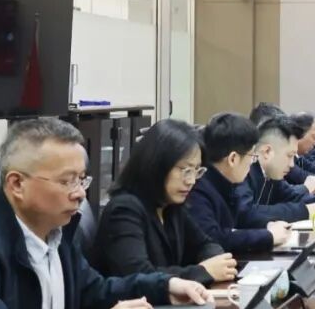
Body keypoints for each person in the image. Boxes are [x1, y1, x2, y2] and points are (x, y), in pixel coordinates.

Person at [0, 118, 211, 309]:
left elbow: (95, 292)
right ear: (16, 184)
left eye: (82, 180)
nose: (80, 194)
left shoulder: (59, 235)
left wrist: (164, 287)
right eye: (67, 181)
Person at [94, 120, 237, 286]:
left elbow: (206, 244)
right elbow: (139, 275)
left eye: (196, 171)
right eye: (185, 170)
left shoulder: (171, 206)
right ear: (156, 164)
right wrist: (203, 271)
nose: (191, 181)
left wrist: (218, 263)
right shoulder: (124, 210)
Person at [187, 113, 292, 253]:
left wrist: (268, 225)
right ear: (233, 159)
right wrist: (268, 236)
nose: (252, 163)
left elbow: (242, 216)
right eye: (252, 157)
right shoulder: (198, 188)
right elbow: (213, 238)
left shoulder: (225, 182)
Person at [242, 116, 315, 222]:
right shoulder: (243, 172)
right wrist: (304, 211)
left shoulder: (271, 175)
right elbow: (245, 213)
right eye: (289, 156)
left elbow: (295, 197)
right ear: (267, 151)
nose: (291, 165)